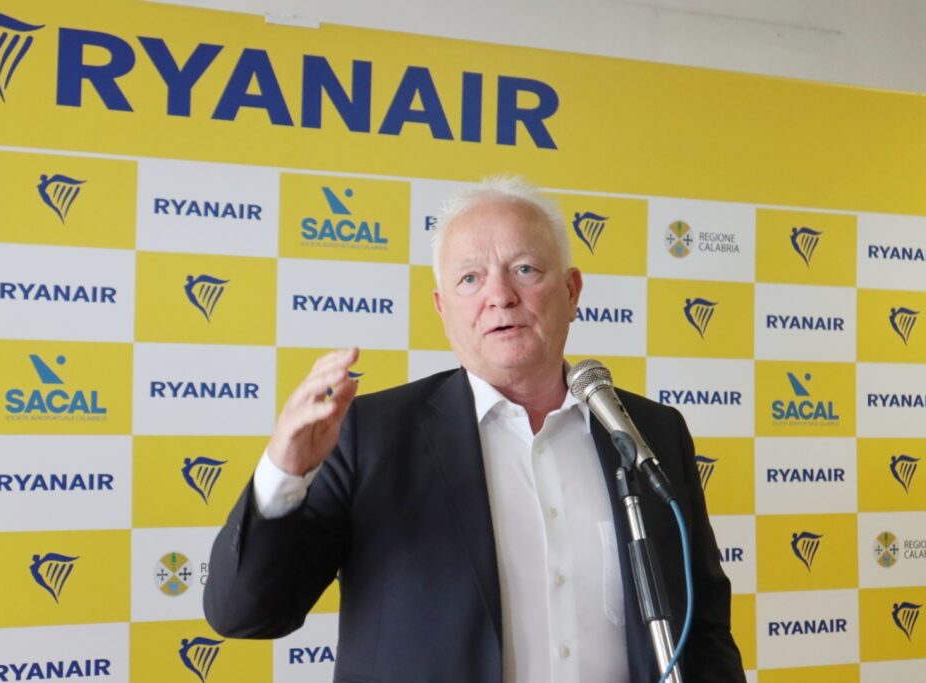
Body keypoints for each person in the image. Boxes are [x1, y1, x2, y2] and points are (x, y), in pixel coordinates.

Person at [204, 177, 745, 682]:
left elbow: (702, 628)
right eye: (470, 278)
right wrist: (283, 475)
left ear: (571, 290)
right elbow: (246, 614)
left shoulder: (651, 431)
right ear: (443, 308)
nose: (500, 296)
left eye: (525, 269)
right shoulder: (370, 436)